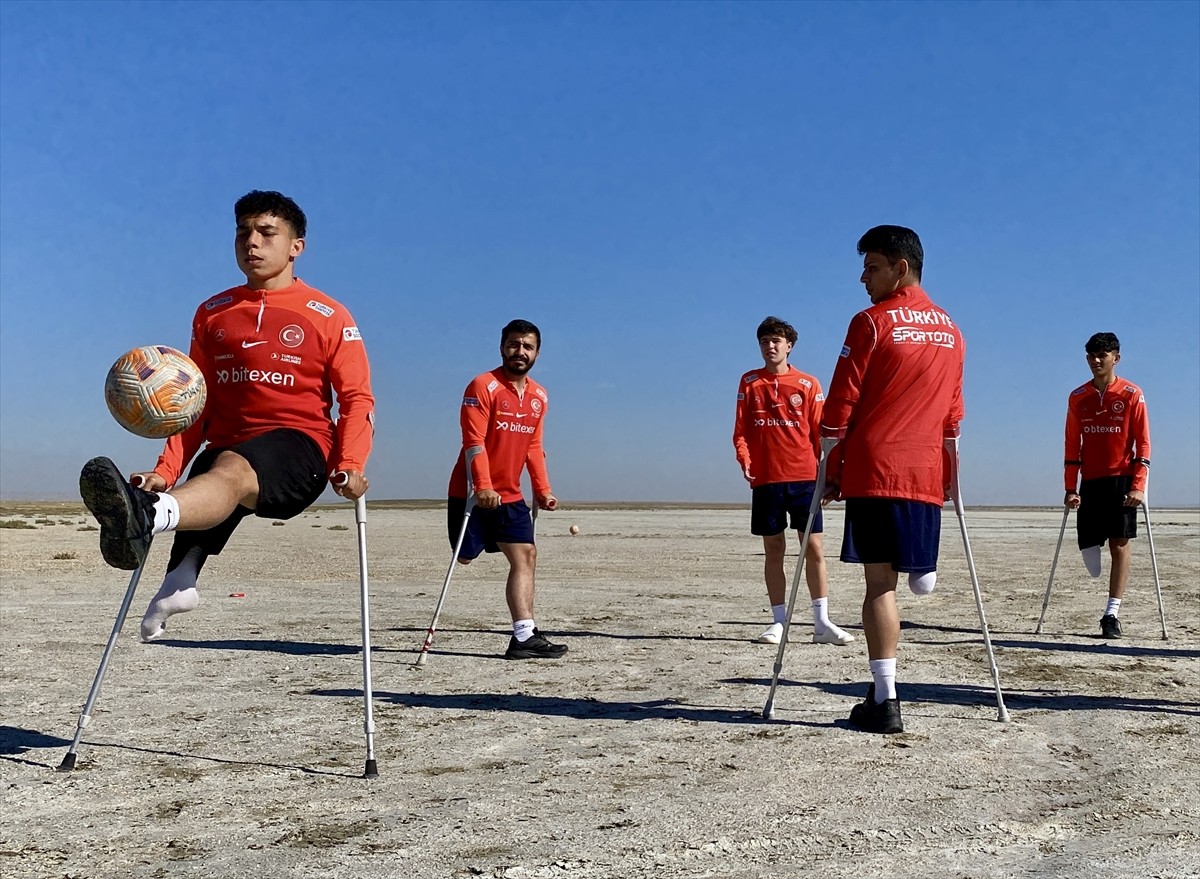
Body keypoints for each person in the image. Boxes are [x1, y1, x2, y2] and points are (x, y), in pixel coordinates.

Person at [80, 190, 375, 641]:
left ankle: (146, 515)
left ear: (296, 246)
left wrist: (350, 462)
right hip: (226, 445)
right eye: (242, 233)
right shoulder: (212, 313)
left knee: (231, 470)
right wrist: (165, 470)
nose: (251, 242)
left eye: (266, 233)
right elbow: (192, 403)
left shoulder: (328, 314)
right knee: (215, 468)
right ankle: (180, 580)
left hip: (300, 445)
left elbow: (356, 398)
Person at [821, 225, 963, 734]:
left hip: (877, 468)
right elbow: (953, 414)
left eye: (872, 266)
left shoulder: (871, 322)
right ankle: (924, 565)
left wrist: (831, 463)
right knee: (906, 580)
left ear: (901, 267)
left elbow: (841, 401)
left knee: (879, 585)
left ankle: (885, 700)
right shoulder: (952, 329)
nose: (863, 277)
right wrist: (948, 474)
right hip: (925, 473)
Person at [733, 316, 855, 647]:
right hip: (767, 480)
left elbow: (822, 434)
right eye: (764, 342)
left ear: (789, 346)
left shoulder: (808, 384)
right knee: (774, 548)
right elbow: (741, 430)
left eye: (776, 341)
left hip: (804, 478)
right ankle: (778, 621)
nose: (769, 347)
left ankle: (821, 622)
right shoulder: (749, 383)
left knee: (813, 547)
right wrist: (745, 461)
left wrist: (830, 475)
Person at [447, 319, 564, 660]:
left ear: (537, 353)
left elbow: (533, 446)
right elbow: (473, 442)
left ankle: (524, 636)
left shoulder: (539, 396)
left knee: (526, 555)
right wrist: (482, 485)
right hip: (472, 492)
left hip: (510, 495)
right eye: (514, 345)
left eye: (527, 347)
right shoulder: (483, 386)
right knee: (464, 557)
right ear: (502, 348)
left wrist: (543, 489)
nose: (520, 352)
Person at [1063, 332, 1151, 639]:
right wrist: (1070, 488)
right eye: (1091, 356)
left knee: (1119, 544)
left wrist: (1139, 485)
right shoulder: (1078, 397)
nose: (1096, 361)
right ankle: (1092, 546)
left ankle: (1111, 613)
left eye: (1102, 355)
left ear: (1116, 357)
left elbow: (1144, 444)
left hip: (1122, 479)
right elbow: (1072, 444)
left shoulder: (1131, 394)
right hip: (1091, 480)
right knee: (1089, 548)